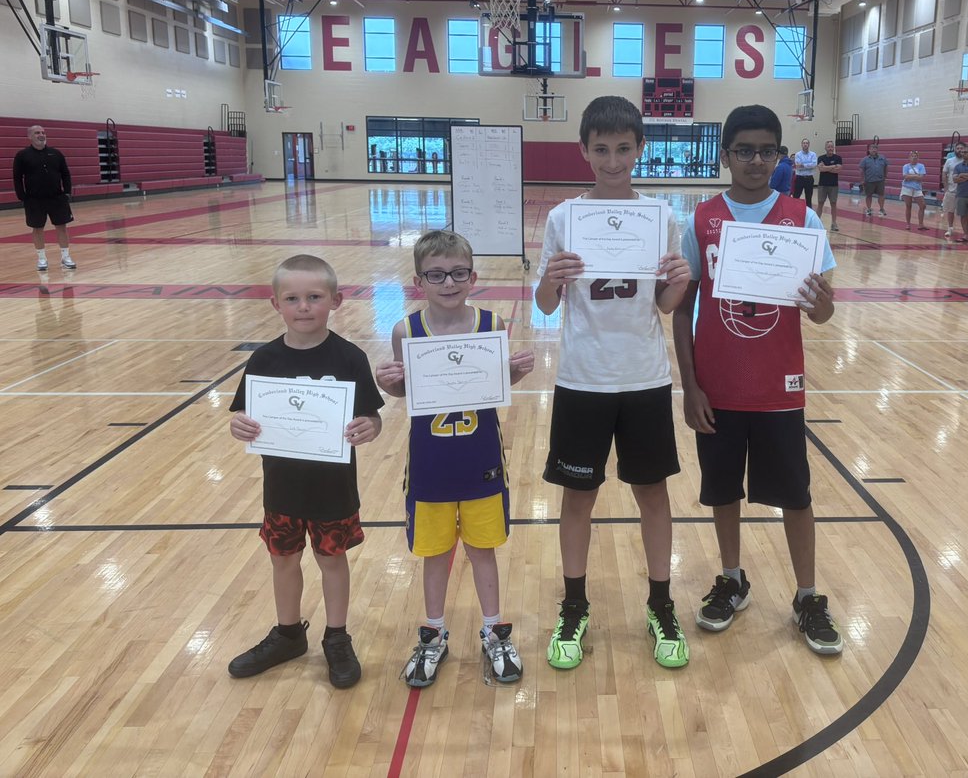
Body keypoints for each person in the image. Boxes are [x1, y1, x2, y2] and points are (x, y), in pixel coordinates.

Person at [672, 104, 843, 656]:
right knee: (723, 492)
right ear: (725, 154)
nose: (755, 160)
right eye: (743, 150)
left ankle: (808, 595)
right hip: (717, 387)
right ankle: (732, 578)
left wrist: (821, 305)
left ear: (780, 155)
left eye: (767, 150)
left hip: (779, 387)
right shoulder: (701, 220)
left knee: (795, 494)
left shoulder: (803, 218)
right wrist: (690, 385)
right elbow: (681, 311)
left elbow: (823, 313)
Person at [535, 95, 693, 671]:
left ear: (639, 150)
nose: (612, 159)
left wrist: (678, 279)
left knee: (653, 494)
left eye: (623, 148)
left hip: (644, 377)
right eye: (600, 149)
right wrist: (552, 279)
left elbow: (667, 304)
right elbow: (546, 306)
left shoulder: (660, 216)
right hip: (583, 378)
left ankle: (660, 603)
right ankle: (574, 604)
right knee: (579, 497)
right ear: (583, 150)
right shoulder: (563, 218)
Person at [375, 230, 535, 687]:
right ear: (418, 281)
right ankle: (433, 632)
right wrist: (389, 384)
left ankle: (493, 630)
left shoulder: (493, 325)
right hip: (429, 462)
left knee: (483, 549)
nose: (449, 282)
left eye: (458, 273)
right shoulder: (405, 330)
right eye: (437, 275)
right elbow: (406, 391)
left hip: (481, 456)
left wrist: (515, 373)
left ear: (473, 276)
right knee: (435, 552)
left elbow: (497, 386)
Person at [227, 255, 384, 689]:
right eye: (292, 298)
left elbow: (373, 418)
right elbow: (243, 414)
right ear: (275, 304)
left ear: (335, 301)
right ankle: (289, 634)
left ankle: (336, 638)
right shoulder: (263, 360)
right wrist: (237, 422)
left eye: (314, 297)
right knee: (283, 560)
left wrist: (369, 427)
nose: (303, 307)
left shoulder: (350, 358)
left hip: (333, 489)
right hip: (282, 489)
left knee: (331, 560)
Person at [12, 124, 76, 271]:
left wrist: (66, 192)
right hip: (34, 199)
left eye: (43, 132)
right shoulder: (22, 155)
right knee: (37, 228)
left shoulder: (56, 153)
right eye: (37, 133)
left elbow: (65, 174)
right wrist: (22, 196)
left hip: (57, 198)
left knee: (62, 227)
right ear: (29, 136)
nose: (41, 135)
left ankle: (66, 257)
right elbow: (17, 177)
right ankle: (42, 259)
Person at [815, 140, 843, 232]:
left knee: (833, 204)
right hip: (822, 185)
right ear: (825, 148)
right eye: (828, 147)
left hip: (833, 185)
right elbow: (821, 169)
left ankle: (834, 223)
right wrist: (833, 166)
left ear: (833, 148)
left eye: (832, 146)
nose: (830, 148)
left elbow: (838, 170)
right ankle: (817, 223)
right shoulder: (820, 158)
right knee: (820, 203)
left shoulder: (838, 158)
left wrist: (826, 168)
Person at [941, 141, 965, 240]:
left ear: (964, 149)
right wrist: (946, 187)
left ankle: (966, 231)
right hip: (951, 190)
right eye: (957, 148)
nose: (959, 150)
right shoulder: (949, 161)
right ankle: (950, 228)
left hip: (964, 190)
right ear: (955, 149)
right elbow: (944, 174)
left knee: (964, 212)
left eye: (961, 148)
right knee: (950, 211)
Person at [900, 150, 928, 230]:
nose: (914, 157)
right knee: (908, 206)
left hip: (917, 189)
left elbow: (921, 177)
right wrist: (916, 176)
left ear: (918, 157)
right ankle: (908, 224)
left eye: (915, 156)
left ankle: (920, 224)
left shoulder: (921, 166)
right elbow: (905, 177)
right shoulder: (905, 166)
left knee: (922, 205)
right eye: (912, 156)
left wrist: (911, 176)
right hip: (907, 188)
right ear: (909, 157)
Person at [859, 144, 888, 217]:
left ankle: (881, 209)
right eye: (872, 148)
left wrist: (885, 177)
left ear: (877, 150)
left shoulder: (883, 158)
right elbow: (861, 170)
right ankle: (869, 209)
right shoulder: (865, 159)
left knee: (881, 195)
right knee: (869, 195)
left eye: (875, 148)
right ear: (869, 150)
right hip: (869, 181)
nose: (874, 150)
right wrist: (862, 180)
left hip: (880, 180)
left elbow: (886, 167)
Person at [792, 138, 818, 206]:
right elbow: (798, 167)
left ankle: (808, 214)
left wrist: (803, 165)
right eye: (804, 143)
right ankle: (794, 212)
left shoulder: (813, 154)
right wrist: (808, 165)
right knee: (796, 197)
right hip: (799, 178)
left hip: (809, 178)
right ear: (801, 145)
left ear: (809, 145)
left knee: (809, 198)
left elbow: (814, 165)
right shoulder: (797, 154)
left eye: (806, 143)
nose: (805, 144)